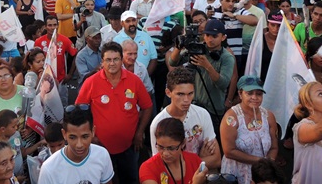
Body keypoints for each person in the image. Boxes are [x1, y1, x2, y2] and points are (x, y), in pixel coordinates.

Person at [75, 42, 153, 184]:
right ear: (102, 61)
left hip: (129, 147)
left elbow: (147, 107)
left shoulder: (134, 81)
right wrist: (90, 136)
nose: (112, 63)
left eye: (116, 59)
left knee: (130, 179)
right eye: (108, 60)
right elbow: (79, 111)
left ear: (122, 60)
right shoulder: (91, 82)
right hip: (100, 147)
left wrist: (139, 132)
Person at [169, 19, 235, 136]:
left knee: (211, 140)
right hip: (193, 106)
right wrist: (179, 47)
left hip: (213, 108)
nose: (210, 39)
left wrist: (207, 66)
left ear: (223, 37)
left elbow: (223, 83)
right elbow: (173, 62)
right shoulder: (197, 49)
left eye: (214, 36)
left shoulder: (227, 57)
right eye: (207, 35)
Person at [149, 67, 221, 169]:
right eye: (180, 94)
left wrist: (181, 164)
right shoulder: (158, 123)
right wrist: (199, 159)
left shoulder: (202, 114)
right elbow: (160, 165)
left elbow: (216, 160)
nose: (186, 100)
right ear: (168, 93)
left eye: (190, 93)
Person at [220, 75, 278, 184]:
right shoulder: (231, 117)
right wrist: (261, 161)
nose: (254, 97)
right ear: (240, 94)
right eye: (249, 93)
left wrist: (268, 167)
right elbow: (229, 151)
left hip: (261, 174)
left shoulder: (269, 116)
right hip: (236, 172)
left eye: (259, 94)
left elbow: (274, 147)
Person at [38, 105, 114, 184]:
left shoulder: (102, 155)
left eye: (85, 137)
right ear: (64, 134)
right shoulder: (49, 168)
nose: (79, 145)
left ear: (93, 132)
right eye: (73, 137)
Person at [139, 117, 207, 184]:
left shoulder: (194, 161)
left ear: (183, 143)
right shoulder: (148, 168)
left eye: (171, 148)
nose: (165, 153)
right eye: (160, 147)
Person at [113, 10, 158, 76]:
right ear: (122, 23)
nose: (131, 24)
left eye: (133, 20)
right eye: (128, 21)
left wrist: (145, 76)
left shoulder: (146, 36)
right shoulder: (117, 40)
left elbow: (153, 58)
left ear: (137, 21)